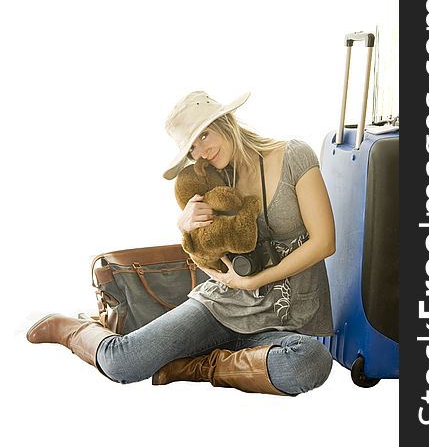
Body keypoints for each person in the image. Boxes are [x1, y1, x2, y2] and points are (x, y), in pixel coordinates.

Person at [27, 90, 336, 396]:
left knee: (310, 362)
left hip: (288, 317)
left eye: (203, 136)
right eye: (192, 149)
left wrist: (255, 280)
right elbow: (211, 259)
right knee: (122, 362)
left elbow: (324, 242)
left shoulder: (293, 155)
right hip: (225, 306)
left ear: (225, 121)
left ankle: (194, 362)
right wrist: (187, 229)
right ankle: (68, 328)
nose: (200, 152)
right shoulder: (213, 181)